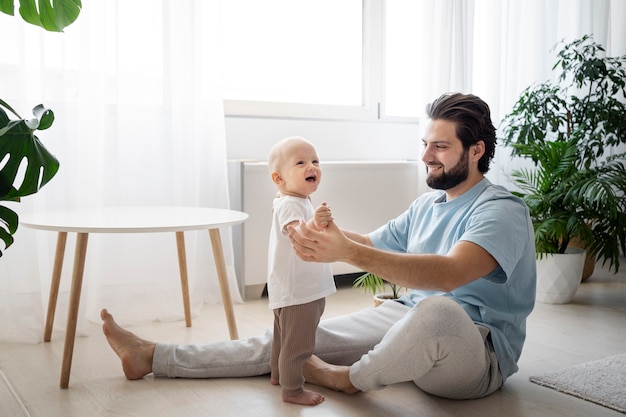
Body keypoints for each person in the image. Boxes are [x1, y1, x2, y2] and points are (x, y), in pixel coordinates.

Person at [101, 92, 536, 401]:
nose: (426, 156)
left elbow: (449, 275)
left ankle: (349, 379)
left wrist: (345, 252)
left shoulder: (502, 211)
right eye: (424, 144)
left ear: (476, 150)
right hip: (405, 321)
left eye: (440, 146)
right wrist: (324, 237)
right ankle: (153, 355)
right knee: (296, 336)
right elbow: (366, 243)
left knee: (439, 309)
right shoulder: (428, 205)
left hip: (476, 354)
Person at [265, 136, 336, 405]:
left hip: (289, 288)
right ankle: (292, 389)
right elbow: (297, 234)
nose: (312, 167)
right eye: (301, 162)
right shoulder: (292, 204)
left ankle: (277, 374)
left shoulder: (293, 200)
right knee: (299, 344)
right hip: (301, 291)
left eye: (315, 161)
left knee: (282, 337)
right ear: (278, 178)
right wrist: (316, 224)